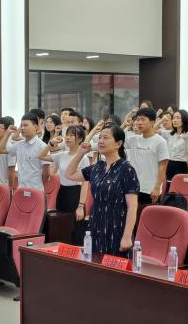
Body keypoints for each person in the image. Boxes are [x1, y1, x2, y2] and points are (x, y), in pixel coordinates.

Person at [64, 124, 139, 257]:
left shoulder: (126, 169)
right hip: (96, 225)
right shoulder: (97, 167)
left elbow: (132, 207)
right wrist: (81, 153)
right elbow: (69, 174)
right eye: (99, 138)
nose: (101, 141)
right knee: (95, 263)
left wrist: (127, 236)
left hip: (117, 227)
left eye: (106, 138)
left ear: (118, 144)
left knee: (115, 266)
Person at [44, 125, 91, 223]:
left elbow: (85, 183)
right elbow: (41, 156)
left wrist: (81, 205)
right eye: (67, 135)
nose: (67, 137)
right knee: (61, 225)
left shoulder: (84, 158)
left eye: (72, 135)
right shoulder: (62, 155)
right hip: (62, 192)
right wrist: (51, 143)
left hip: (76, 194)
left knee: (76, 226)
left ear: (80, 139)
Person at [122, 107, 168, 204]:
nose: (139, 122)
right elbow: (115, 139)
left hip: (150, 189)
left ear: (152, 122)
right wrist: (124, 125)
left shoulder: (160, 141)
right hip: (132, 187)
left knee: (148, 213)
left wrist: (157, 187)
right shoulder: (134, 139)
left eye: (143, 119)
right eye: (138, 119)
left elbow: (163, 167)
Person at [0, 114, 47, 191]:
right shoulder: (20, 144)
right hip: (21, 190)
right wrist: (8, 133)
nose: (22, 128)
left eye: (25, 125)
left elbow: (46, 173)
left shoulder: (42, 146)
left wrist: (41, 187)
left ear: (35, 127)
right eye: (21, 125)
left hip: (36, 190)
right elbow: (1, 150)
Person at [160, 110, 188, 182]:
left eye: (178, 118)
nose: (175, 120)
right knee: (167, 187)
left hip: (181, 166)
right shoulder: (169, 133)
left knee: (179, 187)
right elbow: (153, 130)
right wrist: (162, 119)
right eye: (173, 118)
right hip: (169, 164)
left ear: (184, 119)